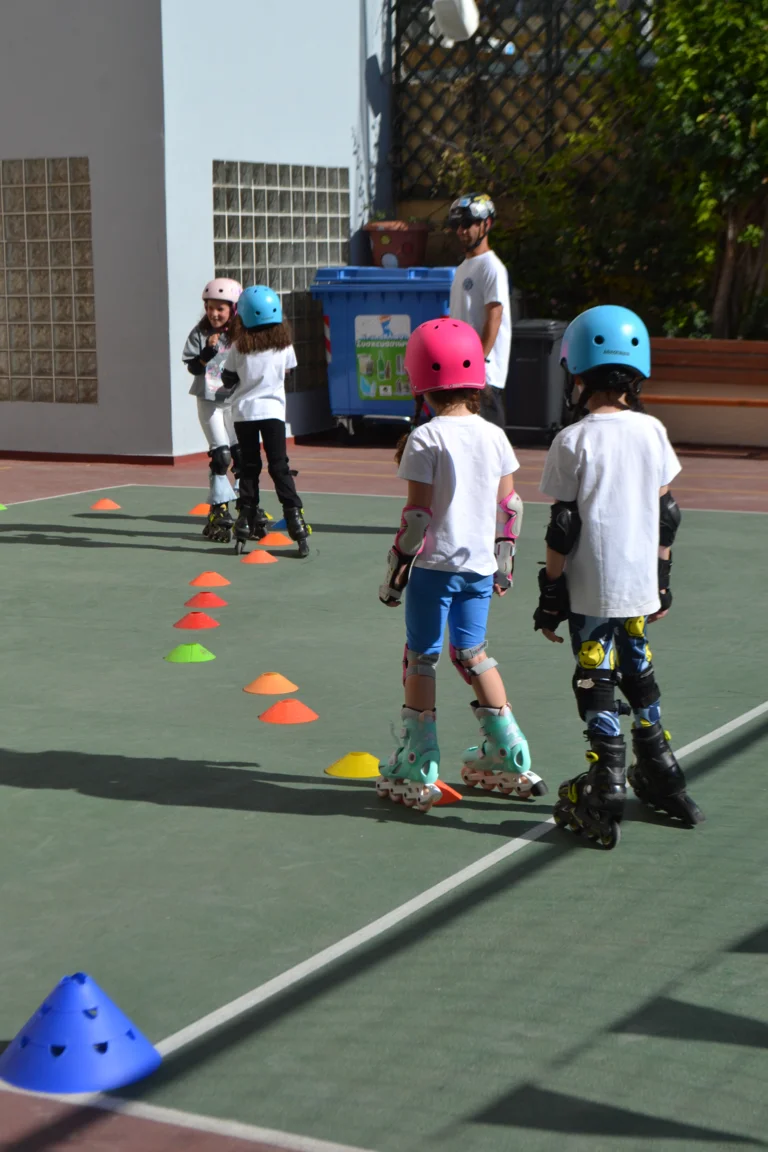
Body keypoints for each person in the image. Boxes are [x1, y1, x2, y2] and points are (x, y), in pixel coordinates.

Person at [533, 304, 704, 850]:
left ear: (578, 375)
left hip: (590, 587)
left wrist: (551, 592)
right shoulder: (653, 431)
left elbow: (563, 527)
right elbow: (668, 513)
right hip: (637, 587)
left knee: (595, 677)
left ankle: (606, 784)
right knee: (638, 667)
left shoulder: (573, 440)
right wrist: (662, 578)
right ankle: (662, 769)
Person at [377, 317, 547, 812]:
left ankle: (418, 759)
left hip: (434, 570)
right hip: (477, 569)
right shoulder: (494, 436)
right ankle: (510, 752)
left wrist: (394, 576)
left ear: (419, 380)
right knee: (472, 652)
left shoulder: (426, 439)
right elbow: (510, 508)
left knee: (422, 656)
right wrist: (503, 566)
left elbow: (417, 517)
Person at [218, 285, 311, 558]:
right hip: (273, 413)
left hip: (245, 414)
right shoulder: (285, 346)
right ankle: (296, 521)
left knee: (249, 468)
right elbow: (288, 372)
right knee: (279, 467)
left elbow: (228, 379)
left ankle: (245, 520)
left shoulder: (238, 347)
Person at [182, 278, 243, 543]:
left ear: (233, 309)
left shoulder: (242, 334)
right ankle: (218, 509)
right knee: (221, 456)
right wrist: (208, 350)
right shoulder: (200, 333)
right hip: (209, 401)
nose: (214, 313)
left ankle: (246, 504)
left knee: (242, 456)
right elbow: (194, 368)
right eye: (210, 308)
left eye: (220, 308)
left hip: (234, 401)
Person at [447, 193, 511, 429]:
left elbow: (494, 318)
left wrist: (478, 363)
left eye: (467, 224)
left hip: (483, 376)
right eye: (456, 225)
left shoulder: (491, 268)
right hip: (462, 372)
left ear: (486, 224)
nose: (461, 231)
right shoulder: (463, 268)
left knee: (490, 449)